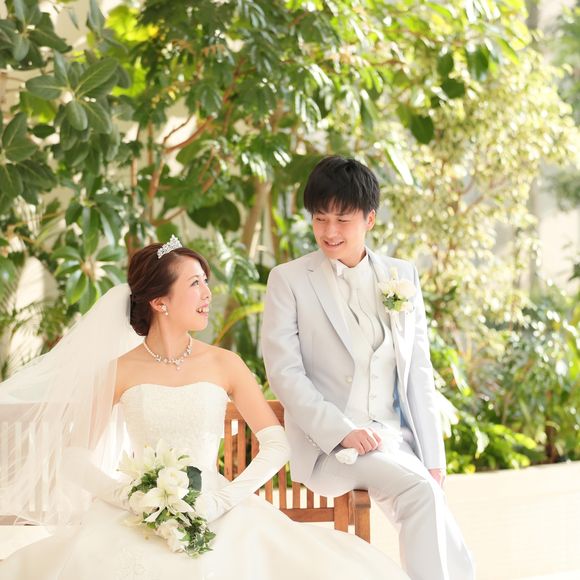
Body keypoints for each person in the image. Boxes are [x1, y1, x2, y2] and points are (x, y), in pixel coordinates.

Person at [0, 237, 410, 579]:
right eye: (195, 283)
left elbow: (276, 444)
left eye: (206, 282)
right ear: (160, 302)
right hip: (136, 514)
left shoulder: (225, 363)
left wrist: (222, 500)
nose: (208, 293)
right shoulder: (119, 370)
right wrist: (131, 498)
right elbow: (73, 458)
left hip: (217, 507)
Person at [261, 156, 475, 580]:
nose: (329, 231)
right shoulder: (289, 280)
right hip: (331, 449)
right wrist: (341, 430)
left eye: (342, 219)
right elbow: (285, 374)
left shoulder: (401, 275)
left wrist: (434, 458)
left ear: (370, 219)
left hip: (395, 439)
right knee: (420, 493)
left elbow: (417, 372)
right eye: (320, 218)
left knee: (430, 494)